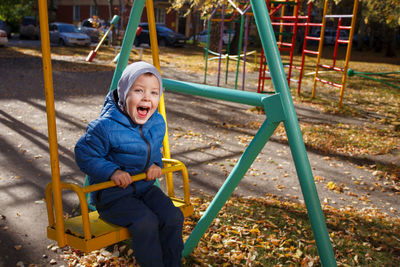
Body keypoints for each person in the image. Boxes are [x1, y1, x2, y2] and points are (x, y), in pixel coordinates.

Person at [74, 61, 184, 267]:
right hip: (112, 196)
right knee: (146, 222)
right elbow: (84, 154)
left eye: (153, 92)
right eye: (138, 90)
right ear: (124, 94)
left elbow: (153, 150)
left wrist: (155, 164)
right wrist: (112, 171)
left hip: (143, 189)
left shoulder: (157, 123)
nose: (146, 98)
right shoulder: (105, 126)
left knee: (173, 216)